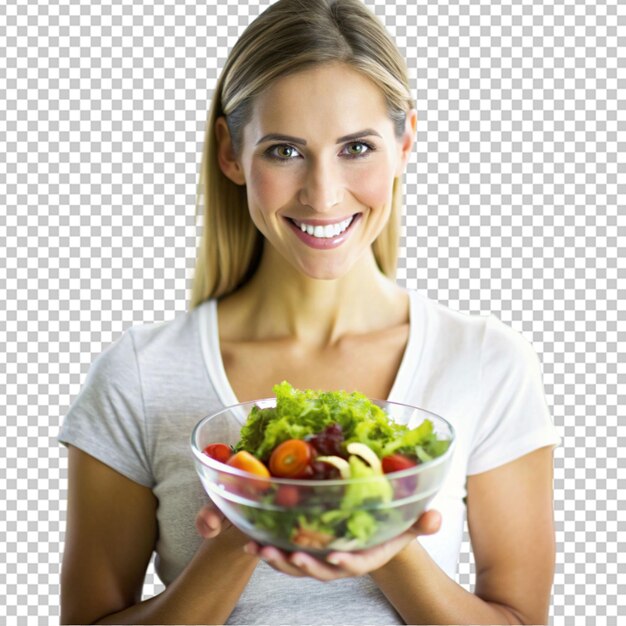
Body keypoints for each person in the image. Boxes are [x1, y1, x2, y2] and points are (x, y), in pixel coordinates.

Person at [58, 0, 561, 623]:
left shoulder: (487, 362)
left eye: (356, 146)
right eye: (284, 151)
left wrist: (381, 536)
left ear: (405, 143)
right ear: (230, 153)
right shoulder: (138, 374)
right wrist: (249, 526)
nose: (323, 194)